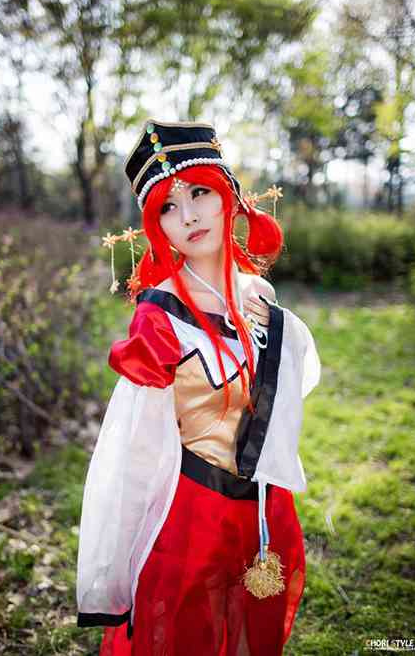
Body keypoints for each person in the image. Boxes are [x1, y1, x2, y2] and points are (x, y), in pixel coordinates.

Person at [76, 120, 321, 656]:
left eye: (200, 194)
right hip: (192, 512)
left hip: (265, 503)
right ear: (156, 224)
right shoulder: (158, 316)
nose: (188, 216)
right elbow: (136, 449)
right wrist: (123, 549)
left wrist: (279, 329)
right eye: (168, 206)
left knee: (250, 632)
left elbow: (286, 397)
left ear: (227, 195)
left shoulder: (259, 292)